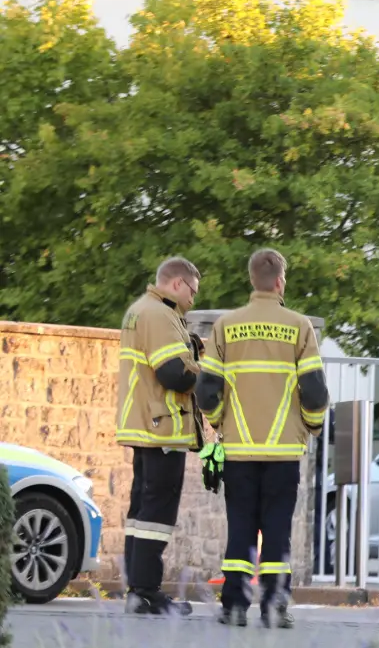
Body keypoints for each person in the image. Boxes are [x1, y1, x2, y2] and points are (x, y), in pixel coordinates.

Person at [196, 249, 329, 628]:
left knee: (239, 528)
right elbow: (315, 391)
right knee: (277, 533)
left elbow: (206, 389)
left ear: (252, 280)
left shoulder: (225, 326)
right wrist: (311, 426)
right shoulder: (299, 326)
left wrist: (221, 422)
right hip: (284, 452)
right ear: (280, 281)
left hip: (238, 450)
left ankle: (234, 607)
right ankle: (274, 607)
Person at [117, 256, 205, 616]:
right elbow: (174, 375)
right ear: (177, 283)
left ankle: (137, 589)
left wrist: (190, 349)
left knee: (141, 509)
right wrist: (205, 368)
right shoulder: (160, 314)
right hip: (163, 426)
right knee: (157, 511)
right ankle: (148, 593)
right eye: (193, 292)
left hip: (144, 425)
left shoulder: (140, 310)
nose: (193, 301)